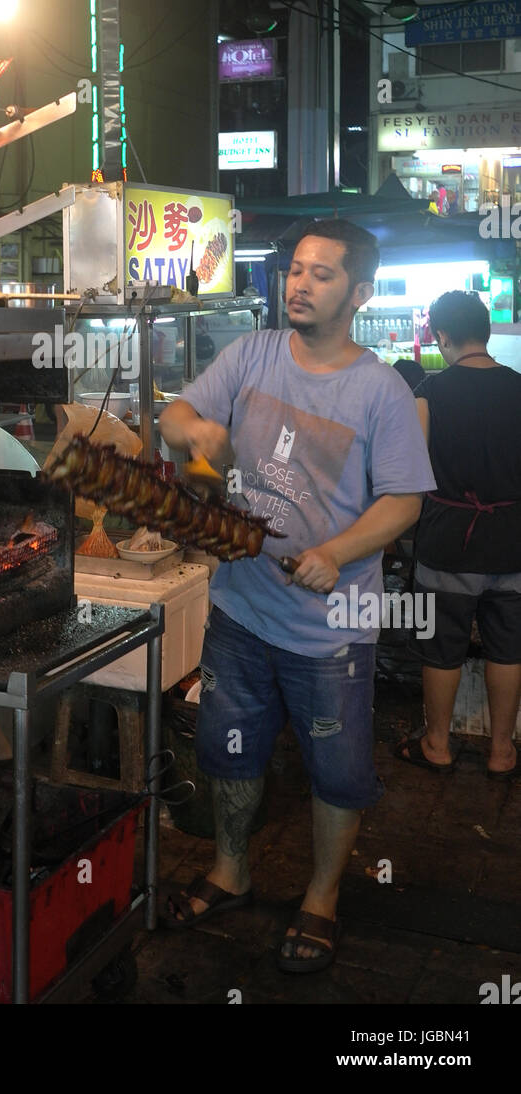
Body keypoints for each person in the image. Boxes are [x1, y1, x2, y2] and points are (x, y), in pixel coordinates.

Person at [158, 218, 435, 972]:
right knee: (229, 752)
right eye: (295, 270)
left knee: (336, 772)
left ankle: (320, 898)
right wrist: (195, 433)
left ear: (359, 292)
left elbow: (403, 500)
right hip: (240, 609)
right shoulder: (250, 353)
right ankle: (230, 870)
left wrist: (334, 553)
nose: (299, 284)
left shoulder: (380, 390)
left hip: (329, 630)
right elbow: (173, 414)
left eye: (320, 274)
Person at [396, 291, 521, 780]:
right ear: (485, 333)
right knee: (508, 648)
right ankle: (502, 753)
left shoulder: (428, 391)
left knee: (441, 648)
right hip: (513, 540)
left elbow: (409, 471)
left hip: (447, 543)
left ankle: (438, 745)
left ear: (442, 336)